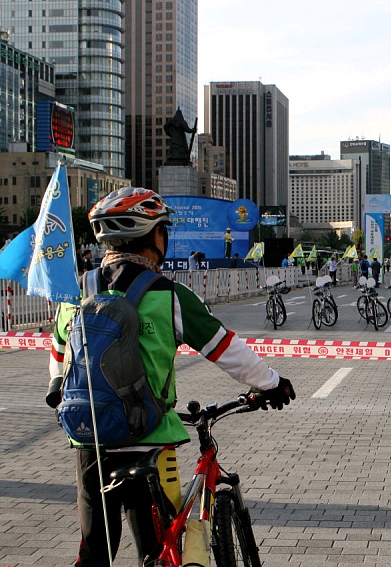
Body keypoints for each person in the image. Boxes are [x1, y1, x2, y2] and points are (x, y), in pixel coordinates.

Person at [44, 187, 296, 566]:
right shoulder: (169, 295)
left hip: (89, 438)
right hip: (150, 439)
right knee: (161, 549)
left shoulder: (74, 294)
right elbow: (227, 350)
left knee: (94, 552)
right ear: (152, 236)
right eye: (164, 230)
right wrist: (272, 383)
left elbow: (58, 357)